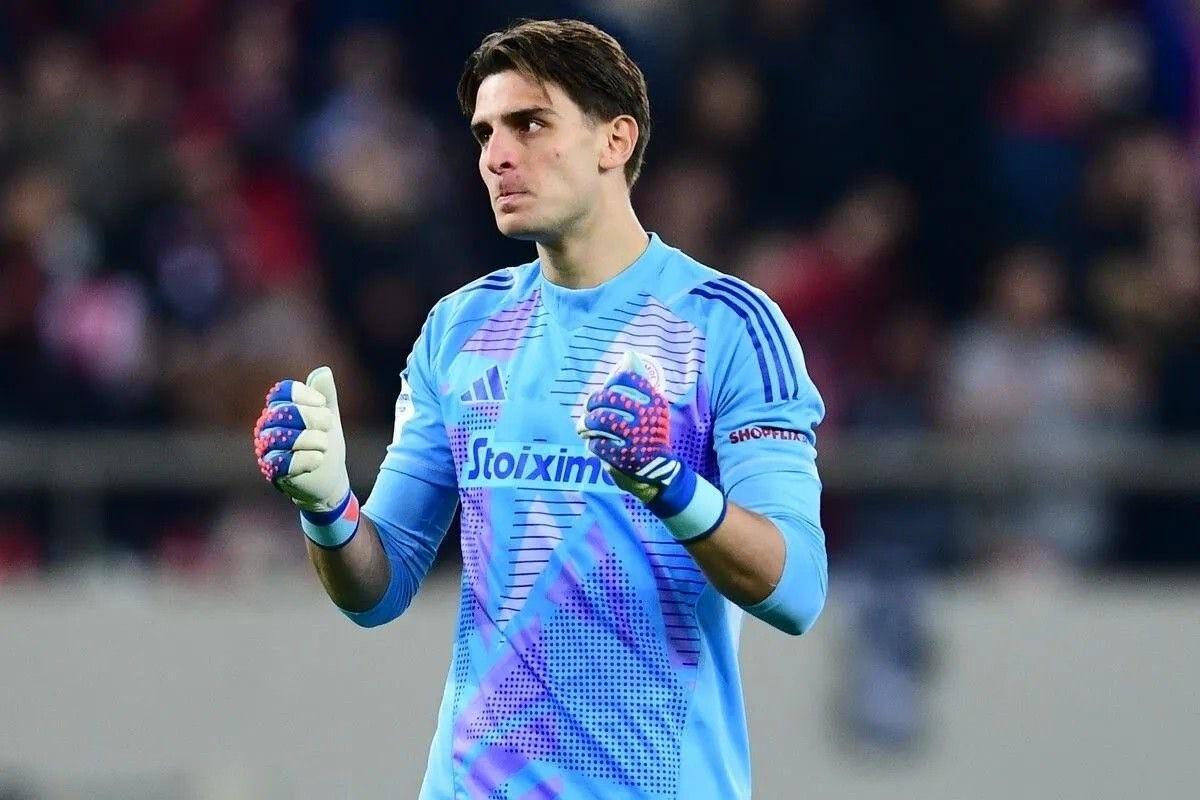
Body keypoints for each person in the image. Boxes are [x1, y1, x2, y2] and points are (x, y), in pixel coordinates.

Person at [252, 19, 827, 799]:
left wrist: (670, 486)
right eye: (485, 132)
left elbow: (797, 591)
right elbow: (378, 590)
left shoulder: (728, 326)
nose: (496, 155)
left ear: (615, 139)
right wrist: (327, 509)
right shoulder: (461, 328)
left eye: (529, 124)